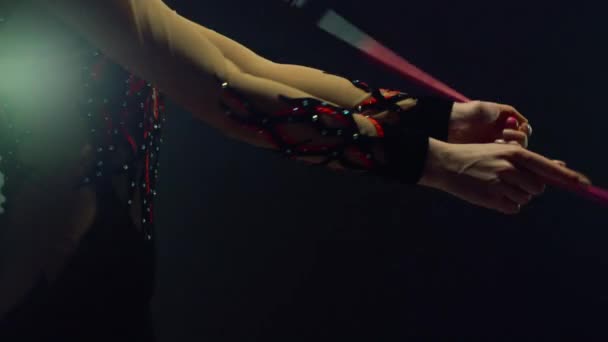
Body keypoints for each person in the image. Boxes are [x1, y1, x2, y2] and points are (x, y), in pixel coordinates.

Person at [0, 0, 590, 340]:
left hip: (93, 277)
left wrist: (440, 118)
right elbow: (229, 95)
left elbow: (236, 63)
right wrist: (436, 162)